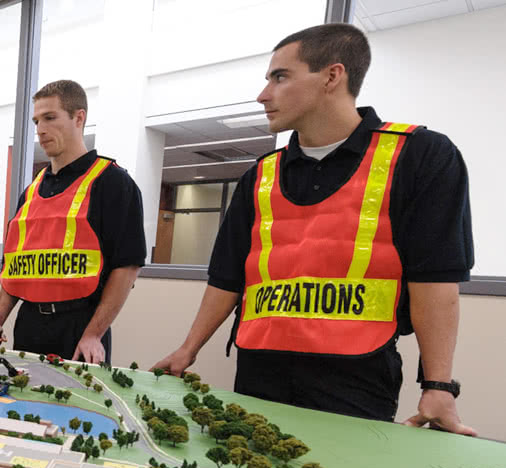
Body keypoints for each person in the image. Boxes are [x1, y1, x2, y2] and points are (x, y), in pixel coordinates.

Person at [151, 24, 475, 434]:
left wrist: (438, 385)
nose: (263, 94)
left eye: (280, 77)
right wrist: (187, 350)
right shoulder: (261, 176)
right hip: (259, 371)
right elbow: (228, 278)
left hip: (353, 377)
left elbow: (437, 278)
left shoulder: (419, 156)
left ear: (332, 76)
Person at [0, 80, 146, 365]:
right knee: (20, 406)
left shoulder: (113, 183)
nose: (40, 129)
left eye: (50, 118)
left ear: (78, 117)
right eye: (36, 121)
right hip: (29, 325)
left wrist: (94, 333)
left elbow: (127, 268)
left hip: (80, 328)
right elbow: (16, 268)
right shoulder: (31, 191)